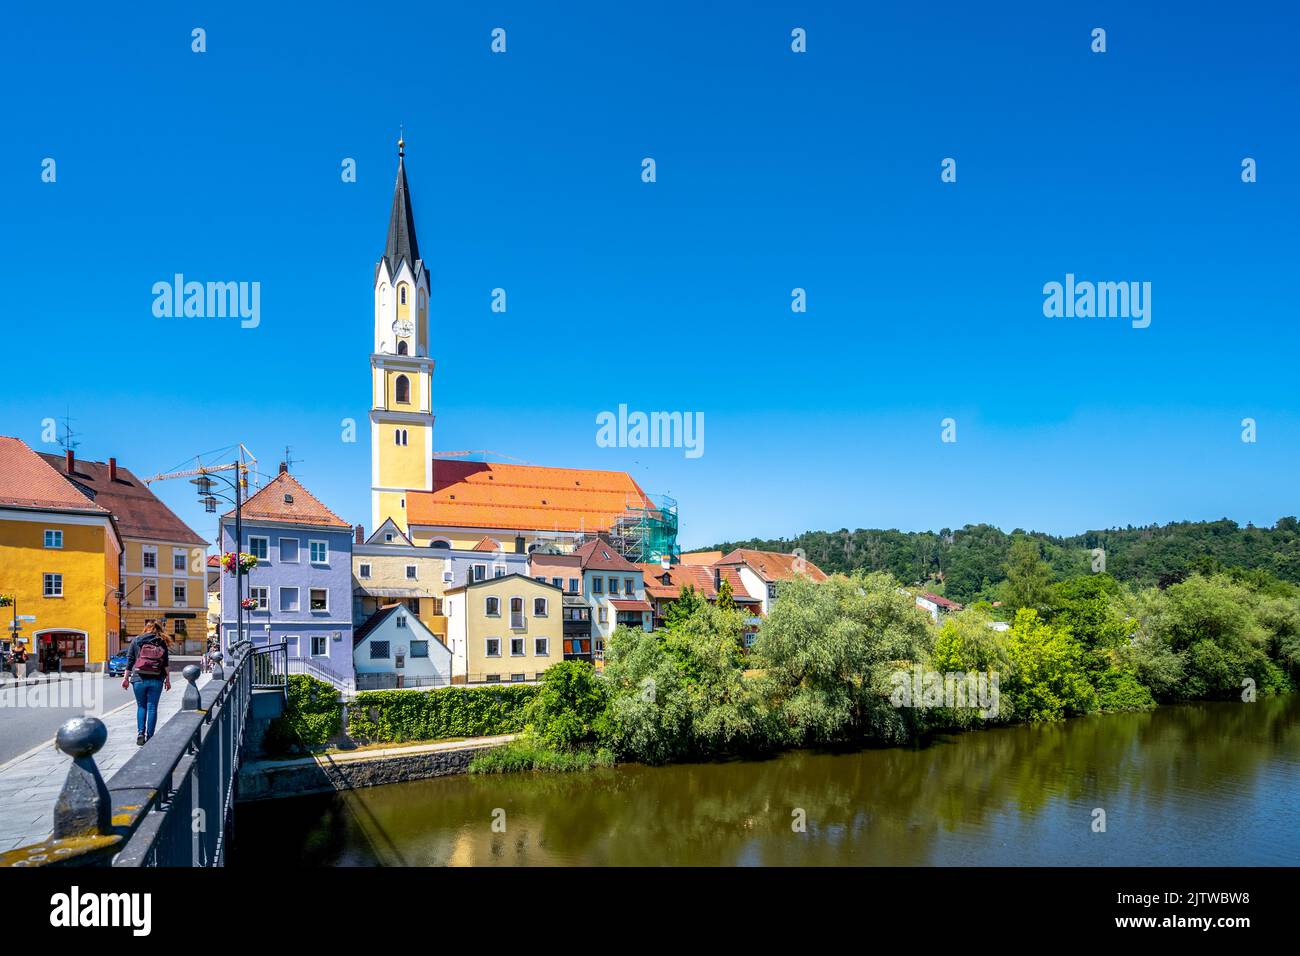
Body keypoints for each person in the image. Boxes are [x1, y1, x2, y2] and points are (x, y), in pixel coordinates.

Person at [121, 620, 172, 745]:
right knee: (152, 707)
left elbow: (130, 661)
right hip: (156, 678)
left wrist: (126, 679)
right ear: (158, 630)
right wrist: (168, 680)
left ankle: (140, 733)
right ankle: (150, 737)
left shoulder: (136, 640)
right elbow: (165, 664)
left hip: (138, 678)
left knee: (141, 706)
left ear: (145, 629)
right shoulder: (161, 642)